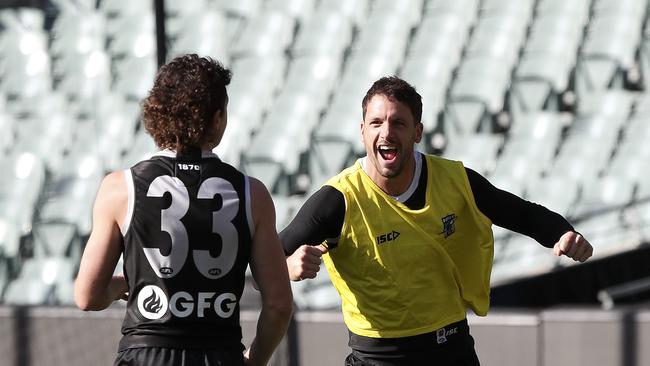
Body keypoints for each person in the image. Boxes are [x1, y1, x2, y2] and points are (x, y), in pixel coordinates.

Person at [281, 76, 593, 365]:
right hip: (377, 357)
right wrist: (288, 267)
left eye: (398, 123)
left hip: (450, 348)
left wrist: (561, 233)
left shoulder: (455, 179)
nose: (386, 132)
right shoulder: (338, 199)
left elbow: (519, 212)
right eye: (376, 123)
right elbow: (269, 254)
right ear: (362, 131)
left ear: (417, 132)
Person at [74, 54, 293, 366]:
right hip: (219, 354)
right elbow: (279, 305)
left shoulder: (119, 188)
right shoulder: (252, 194)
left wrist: (124, 285)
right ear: (216, 118)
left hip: (145, 354)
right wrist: (253, 361)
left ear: (158, 113)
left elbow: (87, 296)